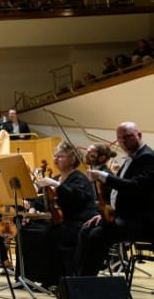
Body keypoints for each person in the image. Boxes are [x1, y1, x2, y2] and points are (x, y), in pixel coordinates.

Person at [74, 121, 154, 276]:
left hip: (142, 222)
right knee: (86, 229)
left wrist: (104, 177)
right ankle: (77, 279)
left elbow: (135, 187)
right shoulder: (132, 158)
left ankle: (86, 284)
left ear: (139, 135)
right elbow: (123, 196)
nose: (123, 141)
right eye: (120, 138)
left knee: (97, 235)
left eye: (128, 136)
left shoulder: (148, 158)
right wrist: (105, 215)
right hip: (126, 217)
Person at [20, 140, 96, 287]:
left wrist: (56, 185)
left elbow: (76, 198)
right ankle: (28, 278)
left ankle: (53, 279)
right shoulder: (56, 178)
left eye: (60, 156)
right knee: (26, 230)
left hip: (78, 224)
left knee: (47, 234)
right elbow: (40, 200)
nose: (55, 159)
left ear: (72, 159)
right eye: (55, 156)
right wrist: (32, 209)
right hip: (60, 222)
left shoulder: (79, 178)